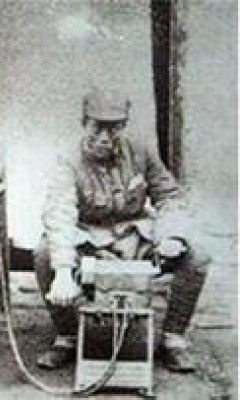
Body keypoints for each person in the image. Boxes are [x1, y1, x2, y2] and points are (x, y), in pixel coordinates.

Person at [34, 87, 210, 372]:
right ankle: (67, 335)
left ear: (124, 126)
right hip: (89, 239)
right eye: (97, 127)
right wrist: (64, 270)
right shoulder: (67, 159)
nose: (105, 137)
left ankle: (173, 337)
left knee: (197, 255)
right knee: (44, 254)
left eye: (114, 128)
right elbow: (60, 211)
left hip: (136, 236)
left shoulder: (141, 151)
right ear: (84, 123)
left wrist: (171, 235)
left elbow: (169, 196)